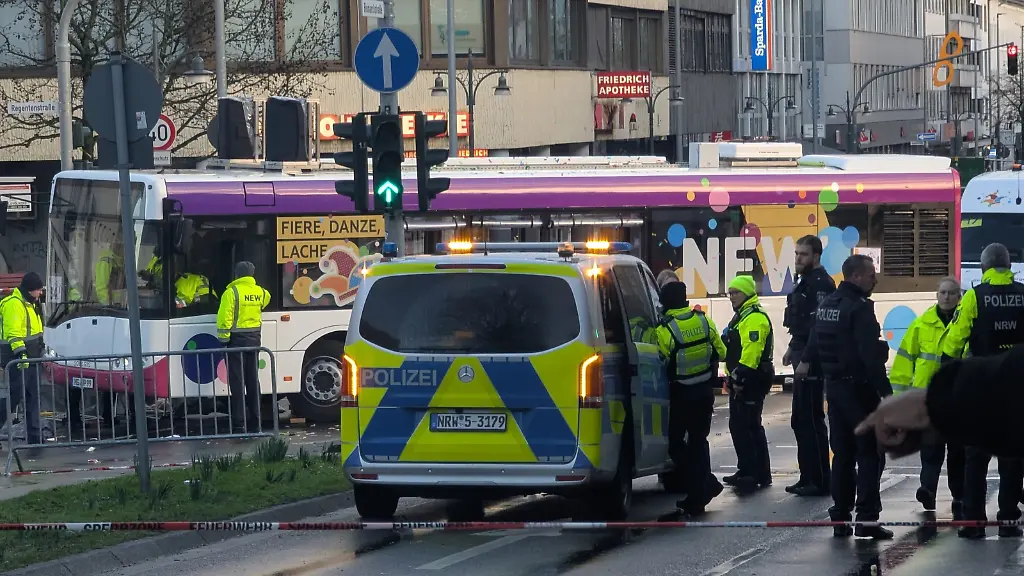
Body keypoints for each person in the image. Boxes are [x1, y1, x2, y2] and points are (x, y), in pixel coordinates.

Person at [800, 254, 892, 539]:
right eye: (871, 275)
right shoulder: (859, 308)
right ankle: (866, 519)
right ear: (856, 276)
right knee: (869, 454)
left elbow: (815, 341)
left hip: (835, 389)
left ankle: (840, 516)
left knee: (841, 454)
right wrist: (886, 395)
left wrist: (804, 360)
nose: (875, 279)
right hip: (859, 389)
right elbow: (870, 358)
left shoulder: (828, 303)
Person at [940, 243, 1024, 539]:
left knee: (975, 458)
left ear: (985, 267)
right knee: (1013, 458)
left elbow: (953, 342)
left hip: (982, 388)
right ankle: (1009, 519)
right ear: (1009, 266)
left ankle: (974, 521)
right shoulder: (1023, 294)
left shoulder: (975, 296)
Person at [856, 347, 1024, 460]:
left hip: (942, 406)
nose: (946, 297)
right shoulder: (924, 323)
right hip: (940, 410)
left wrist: (935, 402)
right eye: (942, 292)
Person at [889, 277, 964, 518]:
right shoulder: (921, 325)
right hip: (927, 400)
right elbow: (903, 363)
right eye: (942, 292)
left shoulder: (965, 324)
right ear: (936, 295)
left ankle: (959, 495)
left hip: (956, 400)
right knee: (930, 449)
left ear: (959, 296)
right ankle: (927, 490)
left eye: (951, 293)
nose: (946, 297)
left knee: (957, 452)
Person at [655, 281, 727, 515]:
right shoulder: (704, 320)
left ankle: (704, 485)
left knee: (676, 444)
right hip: (705, 393)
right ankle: (700, 492)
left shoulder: (664, 330)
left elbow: (658, 364)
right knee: (699, 441)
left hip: (681, 394)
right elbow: (722, 352)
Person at [782, 235, 834, 497]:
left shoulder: (821, 284)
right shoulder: (805, 282)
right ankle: (807, 476)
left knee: (812, 420)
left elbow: (818, 326)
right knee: (799, 419)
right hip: (802, 351)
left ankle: (821, 479)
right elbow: (801, 323)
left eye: (803, 254)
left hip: (812, 359)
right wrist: (793, 347)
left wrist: (805, 359)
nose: (798, 258)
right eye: (797, 254)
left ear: (816, 256)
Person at [721, 275, 773, 493]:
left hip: (751, 378)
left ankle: (754, 474)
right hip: (742, 378)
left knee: (748, 426)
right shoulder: (741, 316)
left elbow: (751, 353)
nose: (732, 297)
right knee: (740, 425)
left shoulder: (753, 318)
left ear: (747, 293)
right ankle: (747, 469)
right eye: (730, 293)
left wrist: (739, 377)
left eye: (736, 292)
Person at [216, 261, 271, 434]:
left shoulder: (231, 293)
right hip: (254, 341)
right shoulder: (261, 292)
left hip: (236, 343)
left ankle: (239, 423)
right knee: (253, 381)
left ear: (237, 274)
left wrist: (224, 340)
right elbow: (266, 301)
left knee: (237, 383)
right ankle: (257, 421)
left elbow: (224, 318)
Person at [0, 272, 45, 449]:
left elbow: (34, 332)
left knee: (33, 397)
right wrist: (21, 354)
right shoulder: (14, 305)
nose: (40, 293)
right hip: (18, 359)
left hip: (32, 358)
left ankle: (35, 438)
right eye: (38, 290)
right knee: (15, 397)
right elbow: (13, 334)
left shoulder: (30, 303)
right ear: (29, 289)